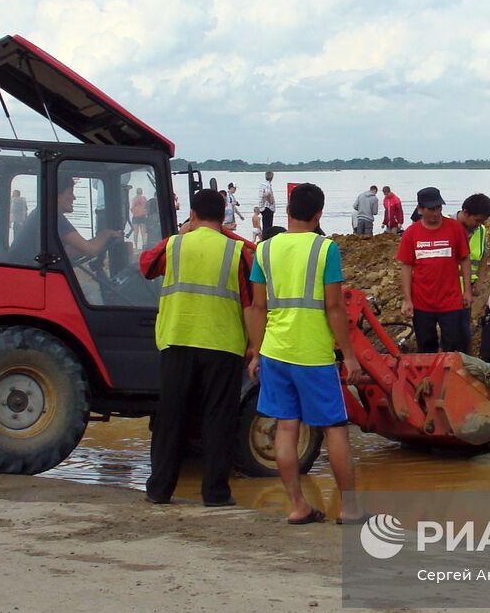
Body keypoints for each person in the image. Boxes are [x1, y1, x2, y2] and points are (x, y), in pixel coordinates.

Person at [245, 182, 364, 525]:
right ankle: (351, 508)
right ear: (319, 214)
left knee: (285, 428)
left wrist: (255, 353)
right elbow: (335, 308)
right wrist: (350, 356)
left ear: (287, 210)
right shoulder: (325, 249)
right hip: (312, 354)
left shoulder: (264, 250)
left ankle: (298, 505)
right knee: (335, 428)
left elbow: (257, 307)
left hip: (275, 352)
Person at [139, 188, 254, 507]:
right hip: (223, 345)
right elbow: (249, 304)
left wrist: (181, 232)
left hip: (177, 339)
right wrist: (253, 346)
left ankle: (160, 489)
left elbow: (146, 266)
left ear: (191, 214)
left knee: (170, 416)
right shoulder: (236, 252)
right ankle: (215, 493)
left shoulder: (175, 245)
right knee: (219, 420)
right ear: (223, 216)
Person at [397, 187, 471, 352]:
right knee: (426, 347)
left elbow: (465, 259)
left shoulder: (455, 228)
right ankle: (430, 377)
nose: (436, 212)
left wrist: (467, 291)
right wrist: (407, 299)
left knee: (453, 347)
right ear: (420, 209)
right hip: (422, 302)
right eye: (431, 209)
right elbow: (407, 267)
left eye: (439, 208)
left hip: (451, 301)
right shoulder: (411, 233)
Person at [8, 174, 122, 264]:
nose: (74, 197)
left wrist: (102, 239)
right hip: (27, 279)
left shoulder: (45, 213)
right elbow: (90, 250)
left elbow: (71, 251)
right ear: (57, 196)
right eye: (70, 193)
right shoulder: (52, 217)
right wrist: (106, 234)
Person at [456, 193, 490, 291]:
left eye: (482, 221)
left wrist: (480, 281)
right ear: (465, 212)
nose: (479, 224)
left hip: (469, 290)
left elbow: (483, 256)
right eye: (477, 221)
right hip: (448, 289)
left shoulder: (481, 230)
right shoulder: (444, 225)